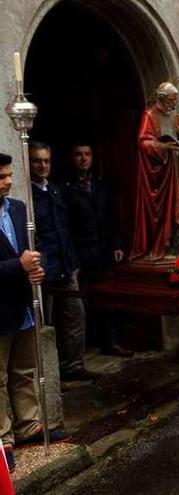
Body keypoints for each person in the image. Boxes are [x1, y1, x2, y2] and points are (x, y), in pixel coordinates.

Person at [0, 153, 69, 472]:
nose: (9, 181)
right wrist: (19, 266)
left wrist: (36, 268)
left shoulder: (17, 208)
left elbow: (33, 244)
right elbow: (18, 260)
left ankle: (28, 425)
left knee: (24, 370)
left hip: (23, 303)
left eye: (9, 175)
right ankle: (3, 439)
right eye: (1, 176)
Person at [30, 142, 97, 382]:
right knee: (44, 322)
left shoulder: (56, 191)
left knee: (74, 315)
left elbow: (66, 228)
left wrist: (73, 261)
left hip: (66, 264)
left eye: (46, 161)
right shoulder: (28, 194)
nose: (43, 165)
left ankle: (73, 365)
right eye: (37, 161)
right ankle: (48, 376)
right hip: (44, 269)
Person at [61, 143, 130, 358]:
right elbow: (64, 225)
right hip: (81, 252)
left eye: (87, 154)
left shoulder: (101, 184)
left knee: (108, 299)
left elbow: (112, 216)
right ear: (72, 158)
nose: (83, 159)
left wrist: (118, 243)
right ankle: (82, 349)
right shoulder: (65, 188)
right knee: (80, 302)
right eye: (78, 155)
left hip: (103, 250)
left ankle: (110, 342)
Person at [131, 82, 179, 261]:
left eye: (175, 100)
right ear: (161, 98)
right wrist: (162, 146)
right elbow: (143, 142)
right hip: (153, 174)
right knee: (154, 212)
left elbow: (175, 137)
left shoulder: (172, 116)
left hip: (170, 170)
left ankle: (170, 246)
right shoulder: (149, 115)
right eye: (171, 100)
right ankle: (155, 247)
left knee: (173, 207)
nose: (174, 104)